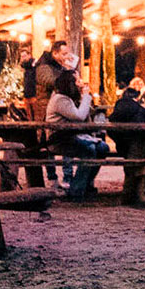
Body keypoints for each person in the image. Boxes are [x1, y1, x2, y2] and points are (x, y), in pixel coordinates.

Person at [46, 69, 109, 200]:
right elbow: (79, 116)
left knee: (103, 148)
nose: (81, 83)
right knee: (89, 150)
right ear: (71, 83)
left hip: (73, 137)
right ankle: (76, 191)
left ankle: (84, 185)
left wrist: (83, 99)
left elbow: (86, 116)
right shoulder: (59, 99)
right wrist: (86, 97)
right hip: (60, 140)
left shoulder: (70, 99)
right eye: (78, 80)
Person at [109, 77, 145, 204]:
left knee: (134, 160)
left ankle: (131, 193)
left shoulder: (120, 107)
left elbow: (111, 128)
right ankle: (144, 190)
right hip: (140, 142)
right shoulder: (141, 110)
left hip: (124, 144)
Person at [34, 40, 73, 188]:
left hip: (62, 109)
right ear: (55, 53)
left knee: (66, 139)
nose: (66, 56)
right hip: (46, 111)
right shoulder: (43, 67)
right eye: (64, 53)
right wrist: (67, 72)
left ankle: (67, 177)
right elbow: (50, 82)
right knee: (47, 144)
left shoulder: (61, 67)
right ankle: (52, 177)